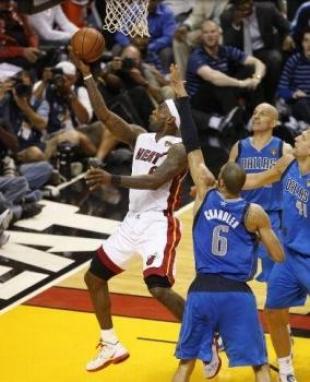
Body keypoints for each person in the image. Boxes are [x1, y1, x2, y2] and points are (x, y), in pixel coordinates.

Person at [70, 49, 188, 372]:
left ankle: (202, 336)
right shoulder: (141, 136)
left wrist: (112, 178)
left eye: (160, 107)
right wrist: (88, 74)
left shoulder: (178, 150)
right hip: (131, 222)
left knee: (159, 288)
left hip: (158, 223)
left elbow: (155, 181)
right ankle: (110, 343)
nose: (153, 110)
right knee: (94, 277)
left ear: (171, 119)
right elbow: (105, 115)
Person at [170, 64, 284, 382]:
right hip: (237, 294)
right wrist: (262, 236)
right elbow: (278, 257)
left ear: (218, 180)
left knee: (184, 365)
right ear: (243, 185)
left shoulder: (204, 196)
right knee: (260, 365)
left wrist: (181, 97)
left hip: (201, 291)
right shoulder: (254, 213)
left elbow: (192, 146)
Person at [243, 130, 310, 382]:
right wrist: (223, 185)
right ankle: (286, 370)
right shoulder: (287, 162)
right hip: (288, 254)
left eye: (304, 138)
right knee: (273, 310)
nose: (297, 138)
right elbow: (256, 180)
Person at [229, 103, 292, 281]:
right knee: (237, 270)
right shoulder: (239, 147)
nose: (256, 117)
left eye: (263, 114)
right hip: (241, 213)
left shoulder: (283, 149)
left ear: (274, 122)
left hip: (271, 215)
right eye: (255, 113)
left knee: (273, 272)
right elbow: (227, 179)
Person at [277, 28, 310, 126]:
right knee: (302, 104)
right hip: (299, 102)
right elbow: (281, 89)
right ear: (302, 43)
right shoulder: (294, 61)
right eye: (306, 40)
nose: (309, 45)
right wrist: (293, 94)